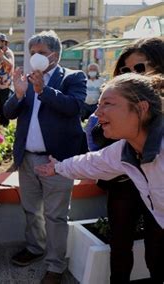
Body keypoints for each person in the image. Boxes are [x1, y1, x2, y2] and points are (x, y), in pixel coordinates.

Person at [36, 73, 164, 284]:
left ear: (141, 108)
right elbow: (92, 162)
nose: (96, 112)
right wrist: (58, 168)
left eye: (108, 103)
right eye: (98, 103)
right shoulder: (125, 150)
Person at [3, 30, 87, 284]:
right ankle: (35, 248)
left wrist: (43, 90)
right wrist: (18, 94)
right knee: (31, 210)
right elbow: (8, 113)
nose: (35, 58)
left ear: (55, 54)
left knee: (56, 216)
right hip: (28, 159)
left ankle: (55, 265)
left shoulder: (73, 78)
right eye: (32, 53)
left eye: (40, 53)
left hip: (57, 160)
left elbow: (75, 108)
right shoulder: (26, 80)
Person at [83, 37, 164, 284]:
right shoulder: (116, 104)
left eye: (140, 68)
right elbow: (97, 141)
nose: (133, 75)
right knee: (119, 247)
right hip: (123, 185)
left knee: (157, 251)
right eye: (125, 71)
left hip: (157, 191)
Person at [0, 33, 14, 127]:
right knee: (0, 105)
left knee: (5, 105)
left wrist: (2, 56)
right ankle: (2, 125)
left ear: (4, 42)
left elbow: (10, 64)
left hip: (6, 85)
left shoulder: (8, 52)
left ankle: (6, 125)